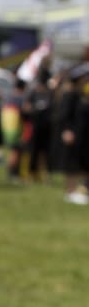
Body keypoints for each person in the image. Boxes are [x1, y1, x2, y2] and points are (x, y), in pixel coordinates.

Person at [57, 61, 89, 205]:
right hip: (72, 135)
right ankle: (70, 192)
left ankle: (83, 189)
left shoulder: (82, 95)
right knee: (71, 165)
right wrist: (66, 131)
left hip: (83, 135)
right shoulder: (69, 95)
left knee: (83, 163)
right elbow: (63, 116)